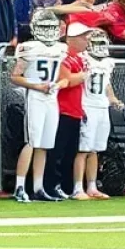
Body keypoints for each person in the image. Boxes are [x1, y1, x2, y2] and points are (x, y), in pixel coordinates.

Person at [11, 8, 67, 202]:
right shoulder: (29, 48)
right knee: (31, 142)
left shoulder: (60, 49)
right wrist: (36, 85)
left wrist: (57, 85)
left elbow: (62, 76)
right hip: (34, 97)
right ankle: (19, 187)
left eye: (51, 27)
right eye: (44, 27)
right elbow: (15, 76)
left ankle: (38, 187)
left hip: (51, 98)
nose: (49, 31)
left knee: (44, 144)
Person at [44, 21, 94, 202]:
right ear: (71, 39)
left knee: (69, 153)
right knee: (58, 152)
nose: (86, 41)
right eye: (82, 37)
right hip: (63, 110)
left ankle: (65, 185)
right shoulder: (64, 57)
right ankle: (53, 185)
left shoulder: (79, 58)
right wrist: (82, 76)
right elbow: (66, 80)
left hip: (74, 110)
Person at [73, 28, 123, 199]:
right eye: (97, 43)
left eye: (103, 43)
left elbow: (107, 84)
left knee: (95, 149)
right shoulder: (83, 60)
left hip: (102, 107)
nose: (101, 47)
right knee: (83, 149)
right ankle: (78, 187)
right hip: (88, 105)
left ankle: (92, 186)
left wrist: (113, 99)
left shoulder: (108, 62)